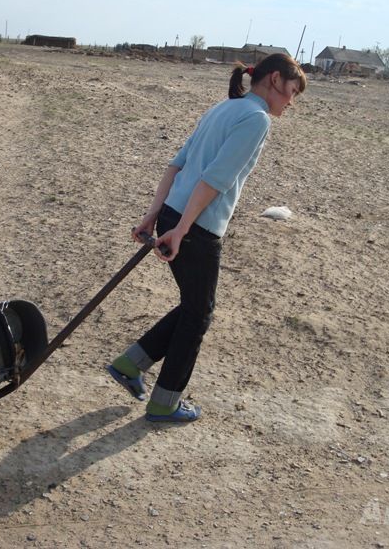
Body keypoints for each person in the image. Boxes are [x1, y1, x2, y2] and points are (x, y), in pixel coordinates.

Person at [106, 53, 307, 422]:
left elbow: (176, 165)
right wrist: (181, 229)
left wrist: (154, 215)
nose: (291, 102)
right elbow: (217, 178)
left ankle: (131, 364)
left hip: (174, 213)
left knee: (194, 307)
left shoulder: (222, 109)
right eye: (292, 92)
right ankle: (164, 401)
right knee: (198, 314)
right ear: (275, 80)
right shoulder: (256, 118)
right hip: (196, 226)